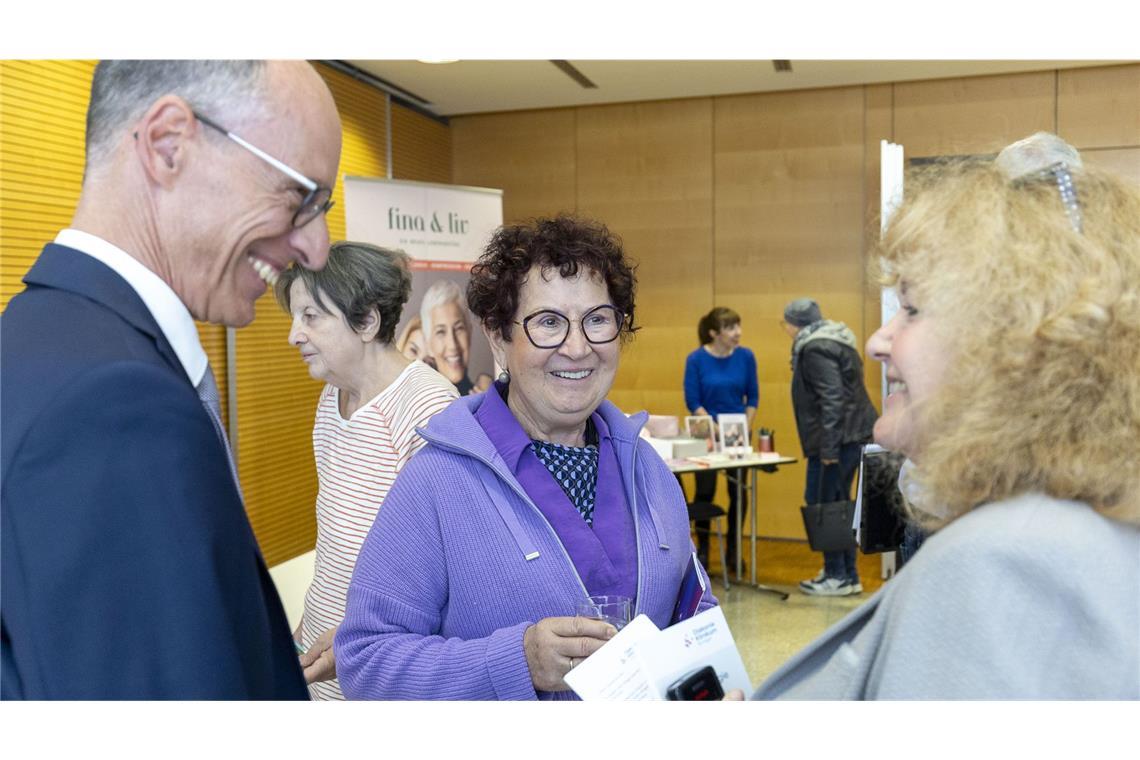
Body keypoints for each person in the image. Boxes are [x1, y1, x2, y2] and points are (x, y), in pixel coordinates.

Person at [753, 133, 1139, 698]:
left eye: (911, 309)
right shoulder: (1077, 524)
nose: (877, 340)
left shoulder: (1002, 560)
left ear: (1008, 343)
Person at [1, 60, 342, 698]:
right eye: (301, 198)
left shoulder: (38, 341)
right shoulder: (110, 407)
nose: (317, 248)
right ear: (168, 145)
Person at [335, 214, 717, 700]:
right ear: (497, 336)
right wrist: (515, 662)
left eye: (597, 320)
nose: (577, 348)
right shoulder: (435, 483)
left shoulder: (649, 472)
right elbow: (365, 661)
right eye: (548, 323)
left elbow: (693, 606)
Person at [275, 241, 458, 700]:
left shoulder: (428, 406)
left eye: (311, 317)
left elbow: (444, 572)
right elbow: (337, 538)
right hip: (319, 652)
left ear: (367, 321)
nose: (294, 335)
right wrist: (306, 625)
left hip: (380, 662)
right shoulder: (330, 396)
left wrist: (359, 637)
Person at [781, 298, 878, 596]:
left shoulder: (814, 348)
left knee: (826, 504)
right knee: (837, 504)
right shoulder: (835, 340)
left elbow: (832, 398)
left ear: (794, 324)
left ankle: (838, 574)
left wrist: (829, 451)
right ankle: (845, 574)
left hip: (838, 441)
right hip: (847, 436)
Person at [683, 307, 759, 571]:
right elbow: (693, 401)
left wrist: (744, 427)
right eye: (730, 328)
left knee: (739, 492)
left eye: (738, 326)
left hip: (736, 431)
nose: (738, 333)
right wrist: (715, 428)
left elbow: (753, 397)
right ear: (714, 333)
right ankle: (702, 549)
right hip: (705, 431)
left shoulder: (746, 356)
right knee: (705, 490)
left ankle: (734, 549)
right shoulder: (696, 359)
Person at [420, 279, 474, 394]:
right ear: (428, 343)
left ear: (470, 332)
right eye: (441, 332)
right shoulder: (420, 405)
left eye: (459, 328)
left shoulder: (484, 400)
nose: (452, 345)